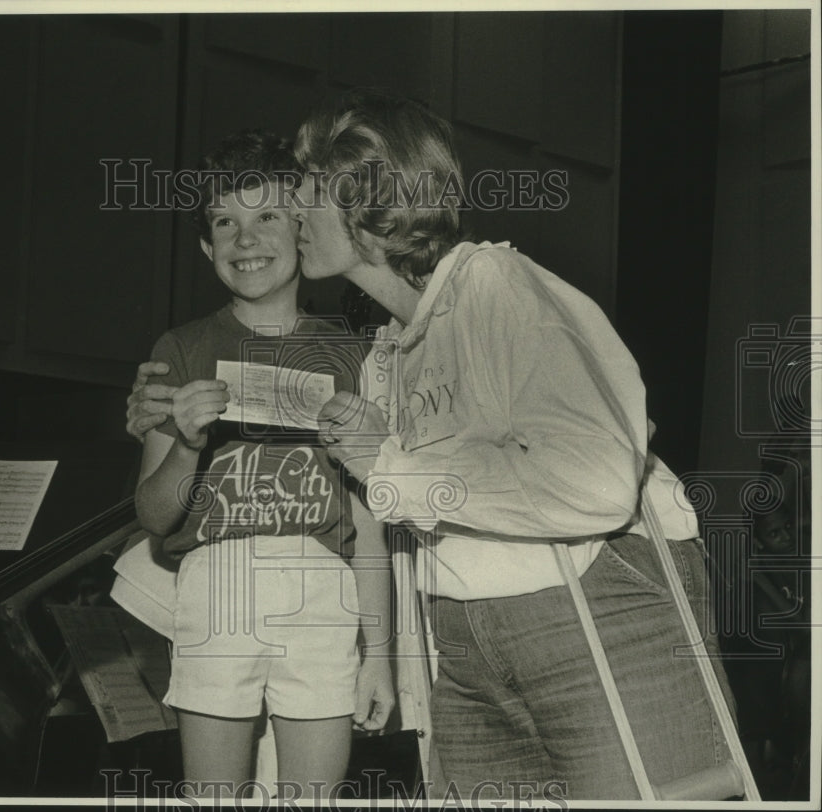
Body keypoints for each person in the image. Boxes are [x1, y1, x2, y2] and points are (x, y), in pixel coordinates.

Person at [127, 92, 739, 801]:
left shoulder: (498, 288)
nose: (292, 213)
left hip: (594, 612)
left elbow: (596, 480)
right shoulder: (385, 352)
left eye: (306, 193)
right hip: (466, 646)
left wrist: (392, 468)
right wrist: (162, 419)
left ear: (365, 196)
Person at [124, 129, 393, 799]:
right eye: (226, 223)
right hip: (216, 587)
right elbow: (154, 516)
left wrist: (381, 656)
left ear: (303, 228)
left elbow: (371, 525)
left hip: (323, 588)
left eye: (267, 215)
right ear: (207, 247)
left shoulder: (353, 355)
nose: (246, 239)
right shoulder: (182, 348)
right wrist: (186, 444)